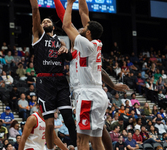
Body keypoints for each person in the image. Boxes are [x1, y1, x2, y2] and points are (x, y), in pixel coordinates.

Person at [62, 0, 129, 149]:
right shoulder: (97, 43)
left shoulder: (85, 45)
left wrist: (69, 3)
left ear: (88, 33)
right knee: (96, 140)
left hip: (87, 94)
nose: (83, 27)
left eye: (85, 28)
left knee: (82, 140)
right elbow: (84, 14)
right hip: (98, 94)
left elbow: (66, 26)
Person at [29, 0, 77, 148]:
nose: (45, 22)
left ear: (53, 26)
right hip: (45, 82)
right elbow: (36, 11)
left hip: (61, 81)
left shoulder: (61, 42)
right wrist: (35, 5)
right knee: (49, 124)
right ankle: (49, 148)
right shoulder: (38, 36)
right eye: (43, 21)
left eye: (48, 21)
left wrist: (65, 50)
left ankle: (75, 146)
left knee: (69, 118)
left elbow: (70, 57)